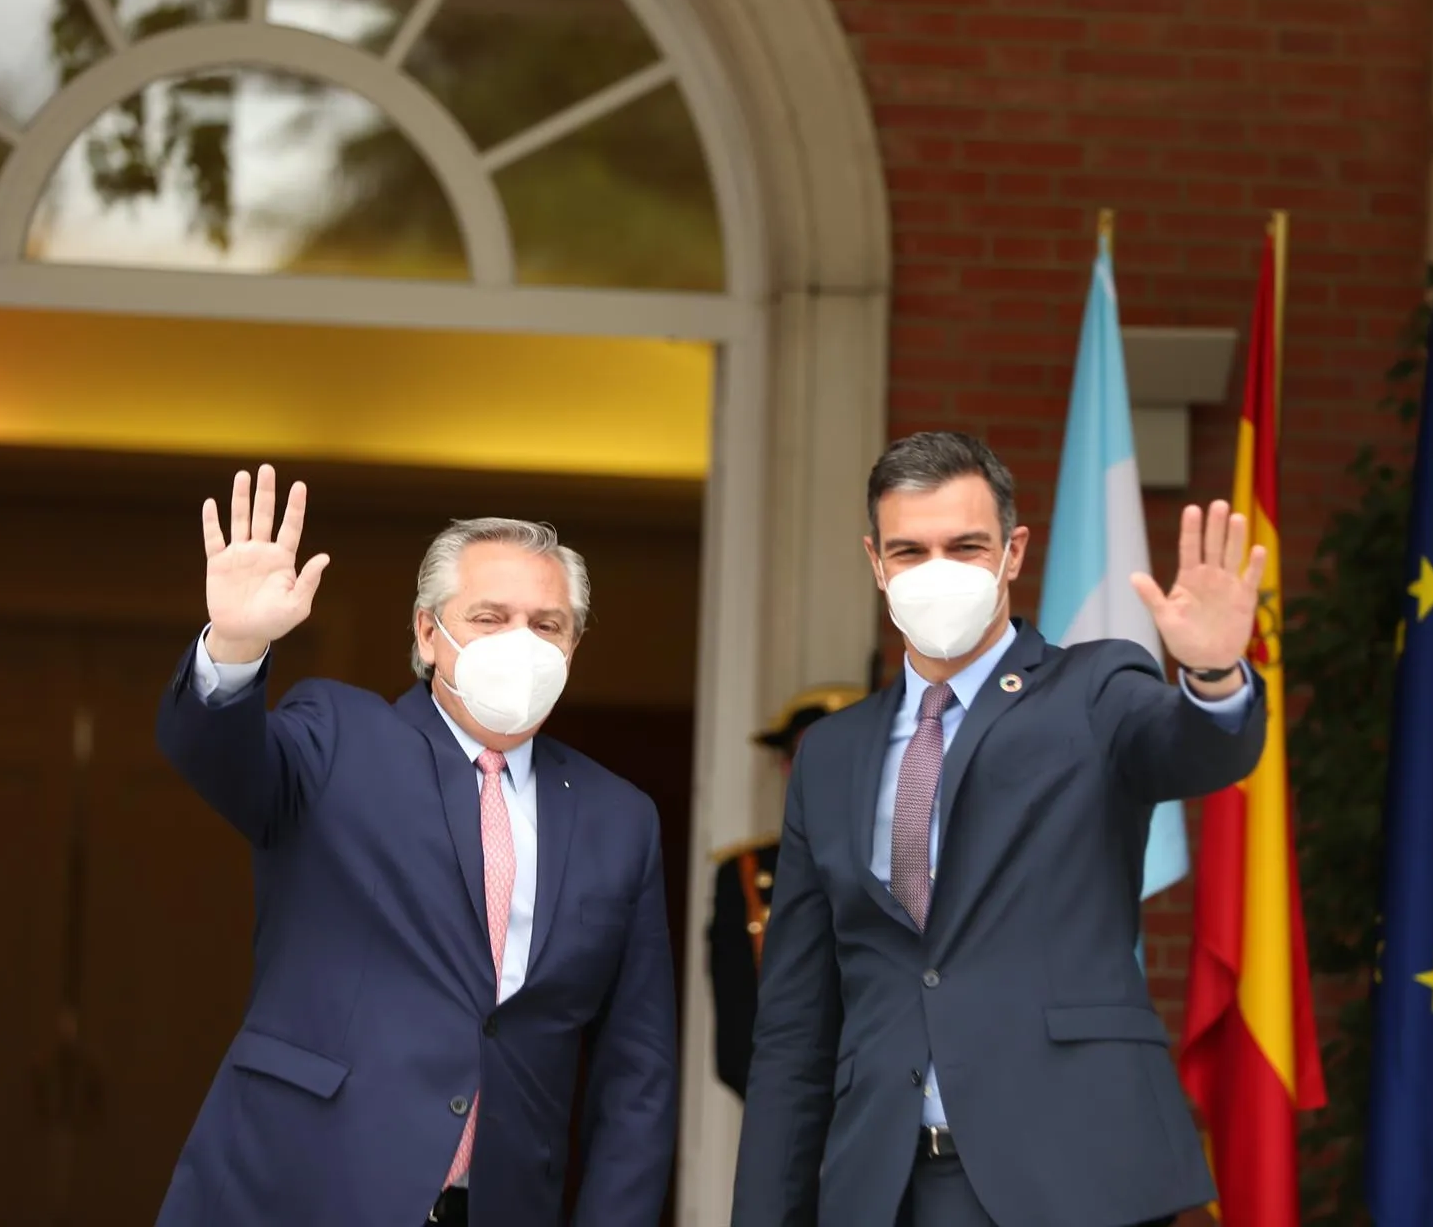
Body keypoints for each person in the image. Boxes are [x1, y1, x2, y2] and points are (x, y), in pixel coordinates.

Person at [731, 432, 1269, 1227]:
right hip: (886, 1185)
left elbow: (1193, 749)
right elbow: (795, 1024)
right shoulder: (832, 752)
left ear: (1013, 553)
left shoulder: (1097, 690)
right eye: (910, 550)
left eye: (966, 546)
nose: (937, 571)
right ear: (876, 562)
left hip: (1075, 1176)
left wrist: (1214, 675)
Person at [152, 465, 676, 1227]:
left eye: (547, 624)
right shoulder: (339, 736)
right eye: (490, 618)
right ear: (429, 633)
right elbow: (220, 760)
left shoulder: (620, 817)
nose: (521, 643)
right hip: (304, 1189)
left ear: (575, 644)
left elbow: (638, 1073)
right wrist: (234, 644)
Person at [708, 684, 867, 1098]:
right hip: (789, 1115)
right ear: (786, 768)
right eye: (807, 755)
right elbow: (737, 1042)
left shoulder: (917, 865)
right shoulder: (744, 874)